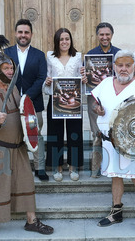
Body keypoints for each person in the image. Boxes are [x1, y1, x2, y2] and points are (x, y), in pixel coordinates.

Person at [0, 51, 53, 239]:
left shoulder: (12, 87)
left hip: (18, 147)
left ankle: (31, 220)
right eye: (6, 68)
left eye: (12, 68)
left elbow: (23, 112)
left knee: (25, 181)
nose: (11, 71)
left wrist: (29, 129)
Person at [91, 50, 135, 239]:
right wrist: (97, 108)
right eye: (120, 65)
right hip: (109, 140)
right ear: (114, 66)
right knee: (115, 176)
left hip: (132, 142)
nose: (123, 69)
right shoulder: (105, 84)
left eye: (128, 65)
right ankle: (116, 212)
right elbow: (94, 103)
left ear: (134, 66)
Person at [4, 19, 48, 181]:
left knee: (35, 134)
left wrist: (26, 96)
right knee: (13, 136)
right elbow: (3, 77)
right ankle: (17, 168)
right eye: (20, 32)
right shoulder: (6, 53)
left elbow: (41, 77)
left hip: (33, 104)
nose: (23, 35)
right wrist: (16, 96)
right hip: (11, 104)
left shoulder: (39, 55)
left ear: (31, 35)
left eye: (26, 32)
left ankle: (40, 168)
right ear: (16, 33)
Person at [44, 28, 86, 182]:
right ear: (57, 41)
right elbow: (47, 77)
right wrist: (47, 82)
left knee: (74, 133)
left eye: (67, 39)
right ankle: (57, 166)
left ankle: (73, 166)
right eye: (61, 39)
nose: (64, 42)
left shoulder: (77, 57)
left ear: (71, 40)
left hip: (73, 101)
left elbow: (81, 78)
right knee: (55, 134)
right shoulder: (50, 56)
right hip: (55, 100)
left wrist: (83, 78)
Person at [81, 22, 120, 178]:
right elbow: (85, 79)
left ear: (111, 35)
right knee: (97, 133)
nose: (104, 37)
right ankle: (96, 168)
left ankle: (115, 166)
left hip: (115, 97)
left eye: (107, 34)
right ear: (97, 36)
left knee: (115, 131)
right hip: (95, 98)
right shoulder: (90, 55)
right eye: (101, 34)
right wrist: (84, 76)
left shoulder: (119, 54)